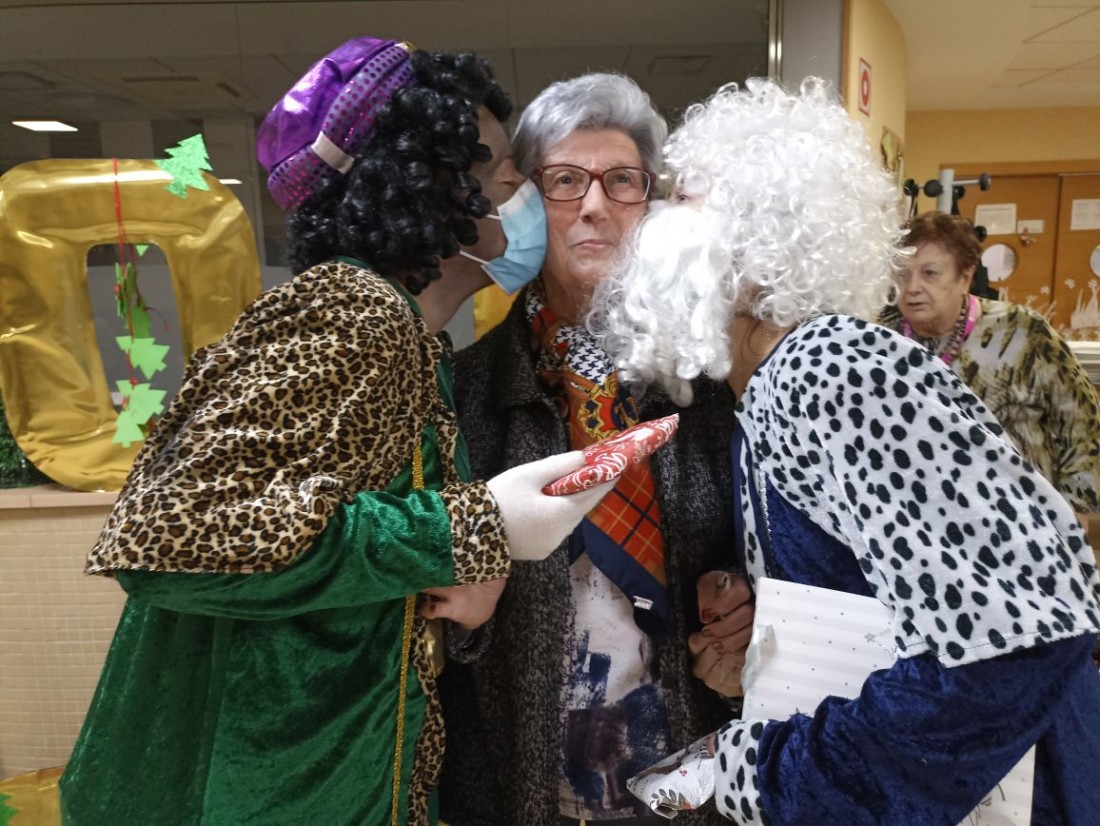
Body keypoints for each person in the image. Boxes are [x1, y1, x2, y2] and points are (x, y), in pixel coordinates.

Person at [58, 37, 613, 826]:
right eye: (496, 169)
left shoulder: (414, 341)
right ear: (419, 184)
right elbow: (170, 537)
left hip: (332, 776)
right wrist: (471, 527)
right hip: (253, 793)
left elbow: (337, 545)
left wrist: (463, 577)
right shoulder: (349, 312)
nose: (518, 192)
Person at [596, 77, 1100, 825]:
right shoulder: (764, 393)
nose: (658, 223)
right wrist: (769, 649)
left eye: (687, 201)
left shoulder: (833, 366)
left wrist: (775, 775)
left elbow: (1019, 635)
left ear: (763, 243)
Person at [435, 72, 747, 826]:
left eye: (623, 181)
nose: (596, 205)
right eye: (566, 180)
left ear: (653, 204)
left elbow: (764, 554)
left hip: (695, 780)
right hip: (516, 785)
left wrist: (747, 612)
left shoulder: (710, 384)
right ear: (527, 202)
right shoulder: (465, 390)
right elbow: (426, 615)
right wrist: (461, 624)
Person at [880, 211, 1100, 519]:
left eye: (930, 273)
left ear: (965, 276)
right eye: (902, 275)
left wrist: (1077, 506)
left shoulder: (1022, 331)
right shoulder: (882, 340)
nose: (912, 287)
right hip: (928, 517)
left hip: (1025, 514)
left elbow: (1081, 419)